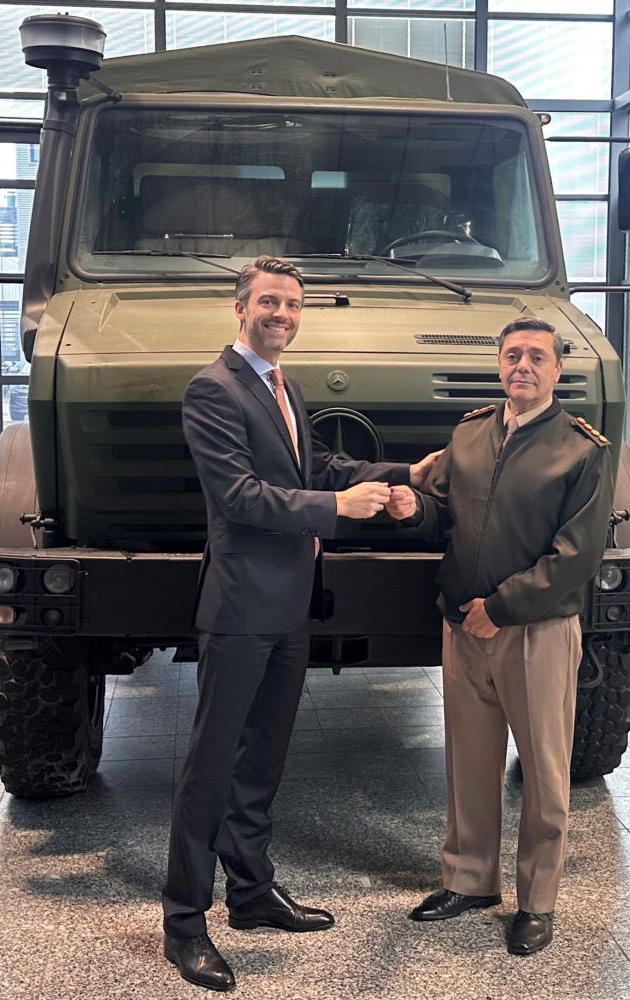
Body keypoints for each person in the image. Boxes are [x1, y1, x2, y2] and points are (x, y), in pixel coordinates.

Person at [163, 255, 440, 992]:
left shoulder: (285, 388)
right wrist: (336, 511)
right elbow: (242, 496)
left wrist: (399, 478)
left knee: (262, 762)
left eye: (291, 303)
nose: (281, 314)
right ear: (240, 309)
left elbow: (319, 465)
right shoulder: (212, 390)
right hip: (240, 608)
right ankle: (184, 923)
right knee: (210, 769)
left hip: (289, 606)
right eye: (269, 303)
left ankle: (251, 894)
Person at [389, 317, 615, 956]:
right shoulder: (468, 436)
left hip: (535, 631)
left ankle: (537, 902)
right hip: (463, 627)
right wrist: (414, 510)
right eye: (513, 354)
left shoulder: (581, 449)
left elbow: (576, 553)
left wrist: (504, 607)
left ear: (557, 369)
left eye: (536, 357)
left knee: (544, 770)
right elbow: (445, 516)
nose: (523, 365)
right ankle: (470, 879)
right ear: (499, 364)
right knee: (469, 757)